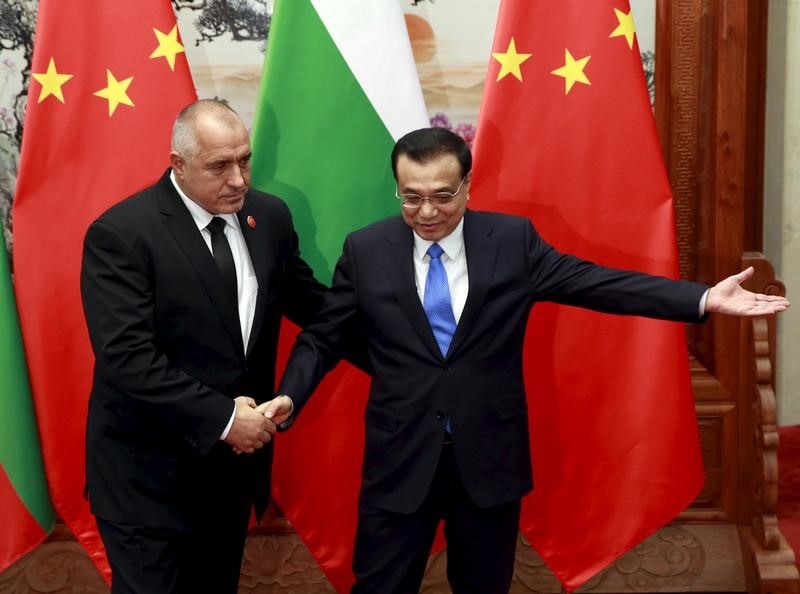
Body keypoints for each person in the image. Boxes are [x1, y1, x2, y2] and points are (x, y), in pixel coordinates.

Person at [261, 127, 790, 594]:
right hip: (399, 459)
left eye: (443, 196)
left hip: (487, 458)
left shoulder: (511, 242)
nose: (426, 212)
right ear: (397, 188)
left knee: (484, 585)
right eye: (411, 197)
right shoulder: (367, 248)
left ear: (468, 186)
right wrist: (291, 392)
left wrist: (700, 299)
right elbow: (324, 336)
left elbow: (597, 283)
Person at [80, 99, 326, 594]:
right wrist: (226, 419)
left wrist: (410, 338)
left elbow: (315, 305)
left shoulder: (269, 217)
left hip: (229, 477)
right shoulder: (123, 234)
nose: (238, 179)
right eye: (219, 166)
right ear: (178, 164)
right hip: (147, 480)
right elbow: (128, 358)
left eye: (244, 159)